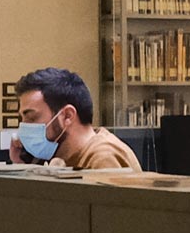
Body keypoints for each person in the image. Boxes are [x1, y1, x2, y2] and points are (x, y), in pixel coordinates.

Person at [9, 67, 139, 173]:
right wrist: (22, 166)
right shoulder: (60, 157)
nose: (23, 128)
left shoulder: (103, 159)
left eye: (31, 117)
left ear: (67, 116)